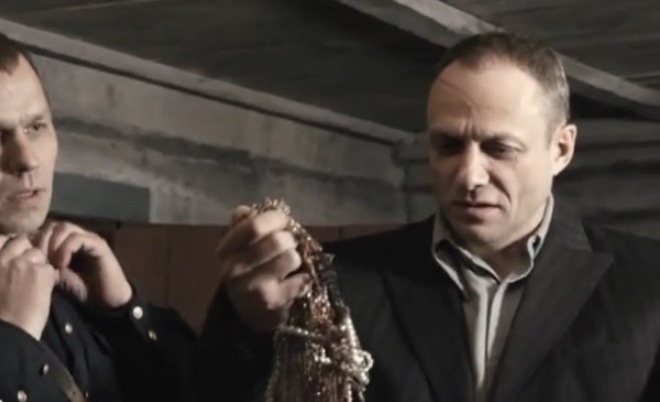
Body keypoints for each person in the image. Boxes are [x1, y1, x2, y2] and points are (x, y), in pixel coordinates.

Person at [197, 31, 660, 402]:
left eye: (499, 148)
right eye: (448, 145)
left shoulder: (648, 280)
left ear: (560, 149)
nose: (469, 175)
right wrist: (254, 326)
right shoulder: (340, 282)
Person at [0, 33, 196, 402]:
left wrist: (122, 311)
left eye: (36, 127)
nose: (27, 159)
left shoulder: (69, 283)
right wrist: (12, 343)